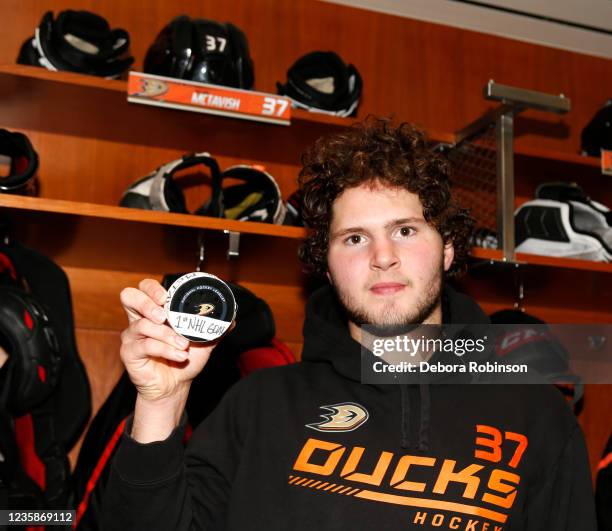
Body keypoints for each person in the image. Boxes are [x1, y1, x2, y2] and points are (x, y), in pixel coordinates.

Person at [100, 118, 596, 530]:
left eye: (405, 231)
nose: (383, 257)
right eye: (354, 239)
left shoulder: (538, 417)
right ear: (327, 262)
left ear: (447, 248)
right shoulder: (258, 406)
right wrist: (159, 405)